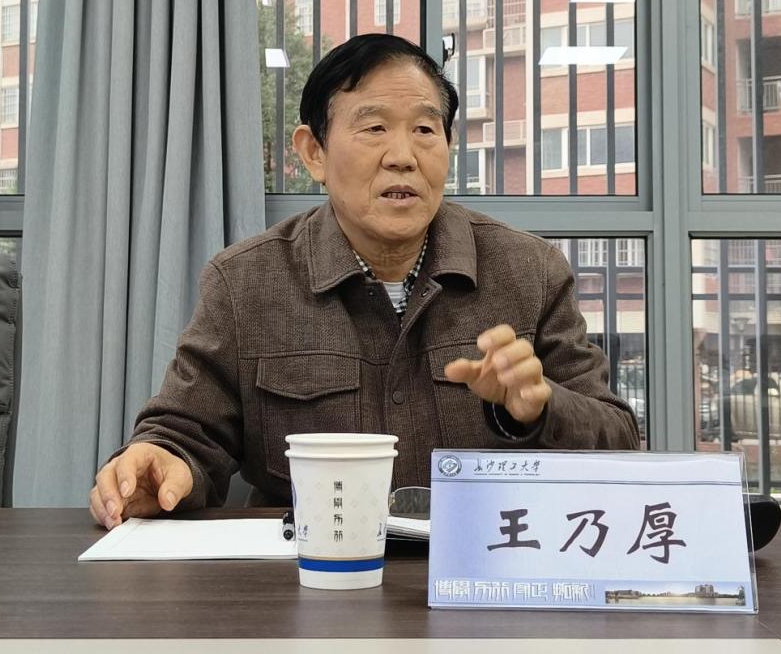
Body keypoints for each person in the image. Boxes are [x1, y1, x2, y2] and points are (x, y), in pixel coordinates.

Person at [88, 34, 640, 529]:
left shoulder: (528, 270)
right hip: (309, 577)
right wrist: (161, 463)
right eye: (374, 128)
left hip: (482, 572)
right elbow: (187, 431)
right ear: (314, 152)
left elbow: (618, 439)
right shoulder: (245, 282)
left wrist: (541, 409)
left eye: (424, 130)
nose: (403, 157)